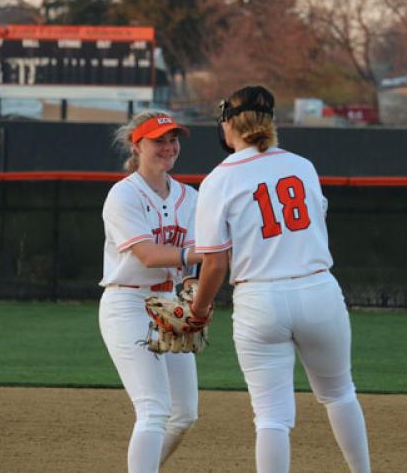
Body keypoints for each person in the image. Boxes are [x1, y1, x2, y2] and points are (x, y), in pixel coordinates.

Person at [190, 85, 371, 473]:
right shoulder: (302, 166)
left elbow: (215, 263)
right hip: (317, 288)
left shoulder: (218, 181)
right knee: (339, 394)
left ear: (228, 124)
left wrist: (198, 311)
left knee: (272, 417)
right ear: (270, 122)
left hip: (260, 299)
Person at [98, 111, 202, 473]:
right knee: (154, 408)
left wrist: (195, 299)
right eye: (159, 140)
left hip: (168, 303)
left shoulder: (190, 196)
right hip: (127, 301)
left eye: (173, 139)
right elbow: (148, 254)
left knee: (184, 413)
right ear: (136, 144)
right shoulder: (123, 194)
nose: (169, 147)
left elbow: (188, 267)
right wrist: (205, 253)